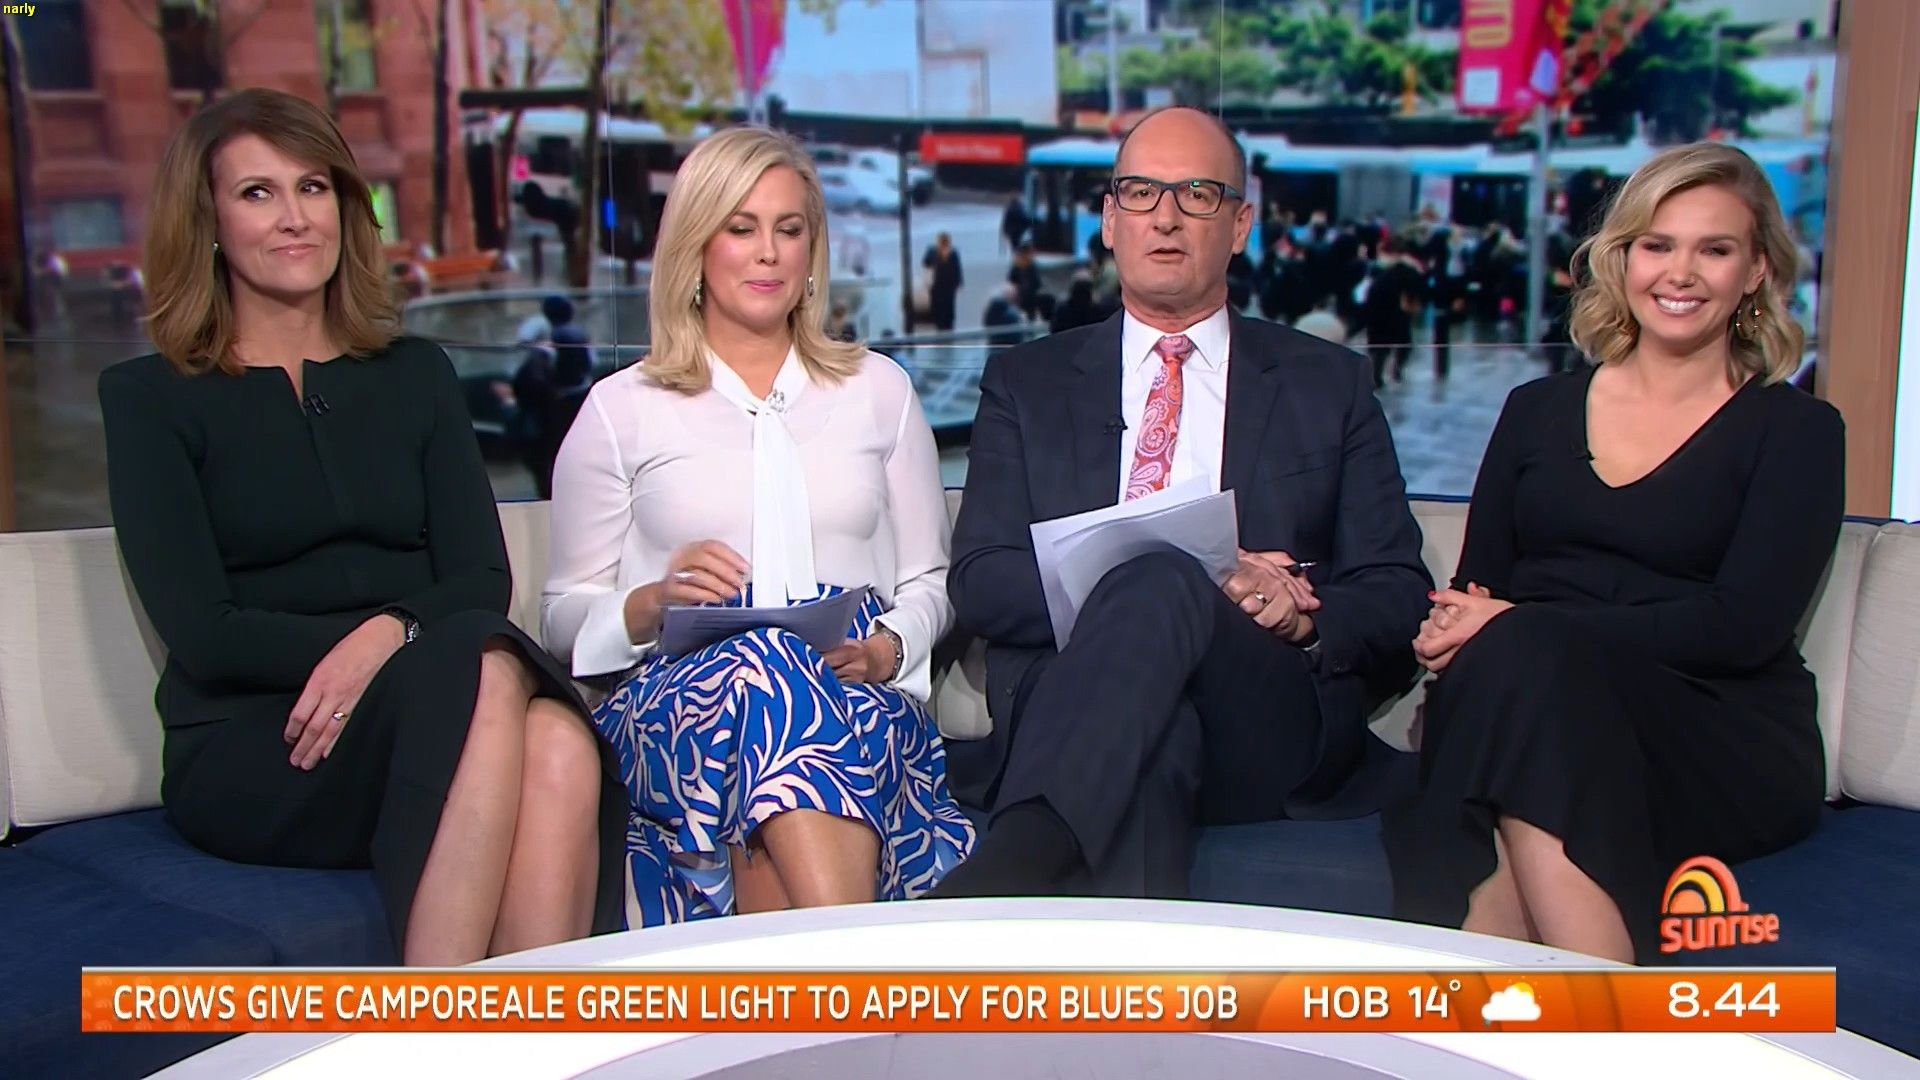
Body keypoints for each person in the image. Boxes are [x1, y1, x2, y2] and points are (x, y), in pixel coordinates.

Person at [98, 88, 624, 966]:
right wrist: (369, 655)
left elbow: (480, 580)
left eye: (314, 188)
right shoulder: (150, 400)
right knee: (492, 671)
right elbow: (205, 633)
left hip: (431, 703)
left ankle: (512, 1038)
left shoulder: (415, 375)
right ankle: (432, 1025)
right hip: (267, 740)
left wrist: (384, 637)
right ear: (209, 222)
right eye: (258, 193)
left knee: (562, 743)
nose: (295, 217)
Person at [932, 107, 1431, 899]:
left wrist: (1300, 613)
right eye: (1140, 192)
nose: (1165, 217)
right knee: (1156, 696)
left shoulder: (1327, 384)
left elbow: (1397, 592)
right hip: (1073, 704)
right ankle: (1092, 941)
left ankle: (1007, 869)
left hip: (1261, 714)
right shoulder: (1028, 384)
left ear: (1240, 226)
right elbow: (984, 579)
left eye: (1197, 194)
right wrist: (1187, 573)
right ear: (1110, 220)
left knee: (1161, 581)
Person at [1383, 143, 1844, 963]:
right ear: (1623, 259)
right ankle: (1589, 1005)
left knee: (1523, 686)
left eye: (1714, 249)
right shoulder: (1534, 410)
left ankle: (1541, 991)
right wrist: (1463, 627)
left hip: (1709, 726)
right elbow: (1479, 590)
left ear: (1756, 271)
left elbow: (1741, 628)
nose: (1681, 272)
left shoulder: (1798, 431)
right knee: (1524, 688)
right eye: (1657, 245)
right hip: (1532, 697)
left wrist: (1525, 627)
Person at [542, 127, 975, 927]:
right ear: (696, 247)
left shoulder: (878, 391)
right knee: (766, 667)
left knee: (786, 701)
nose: (769, 252)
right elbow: (562, 614)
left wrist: (890, 648)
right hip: (678, 706)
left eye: (789, 228)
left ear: (812, 251)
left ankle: (800, 995)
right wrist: (649, 603)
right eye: (740, 228)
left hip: (856, 691)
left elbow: (930, 580)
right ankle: (853, 975)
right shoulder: (622, 409)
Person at [922, 232, 964, 331]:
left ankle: (947, 326)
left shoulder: (953, 253)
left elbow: (957, 268)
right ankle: (939, 325)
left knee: (948, 308)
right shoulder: (932, 251)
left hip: (948, 287)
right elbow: (925, 263)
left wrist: (959, 283)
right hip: (936, 286)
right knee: (937, 308)